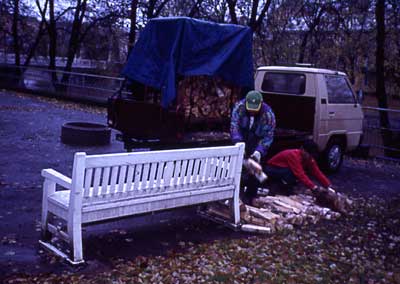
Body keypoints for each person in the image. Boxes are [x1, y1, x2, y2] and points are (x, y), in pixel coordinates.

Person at [230, 90, 276, 204]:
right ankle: (236, 196)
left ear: (261, 104)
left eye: (255, 110)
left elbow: (268, 136)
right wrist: (238, 142)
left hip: (256, 142)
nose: (252, 112)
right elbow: (234, 125)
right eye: (250, 109)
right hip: (242, 140)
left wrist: (259, 152)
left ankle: (251, 198)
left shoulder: (268, 115)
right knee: (238, 170)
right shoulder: (239, 107)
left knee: (255, 172)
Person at [264, 139, 335, 196]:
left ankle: (286, 185)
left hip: (282, 169)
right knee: (291, 173)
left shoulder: (309, 158)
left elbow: (317, 172)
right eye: (308, 154)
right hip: (271, 169)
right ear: (302, 149)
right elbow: (300, 174)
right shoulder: (293, 155)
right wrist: (313, 187)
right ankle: (279, 187)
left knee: (292, 173)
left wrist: (328, 185)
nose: (310, 157)